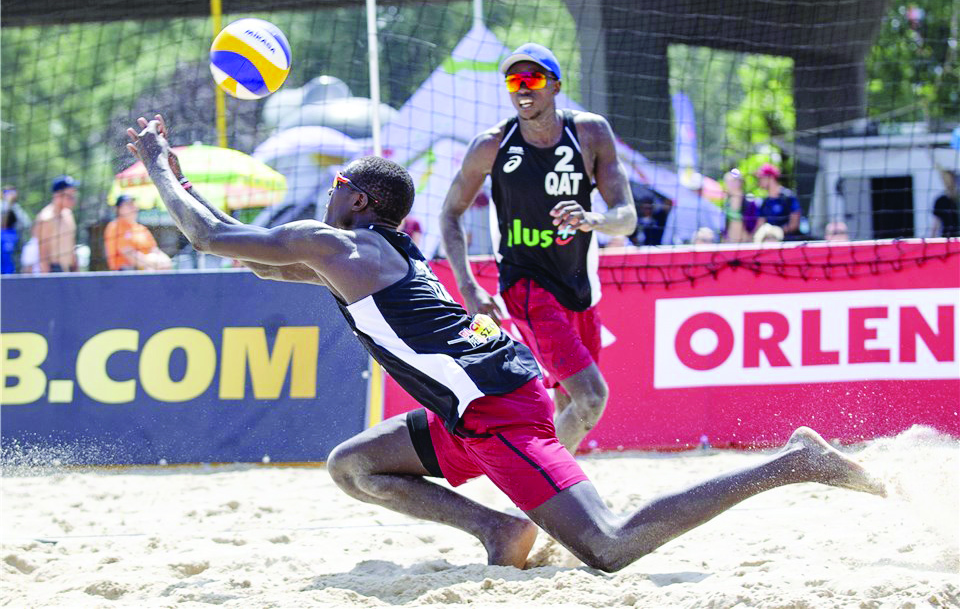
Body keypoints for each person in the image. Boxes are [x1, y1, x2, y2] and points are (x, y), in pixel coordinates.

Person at [129, 114, 886, 573]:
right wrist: (186, 191)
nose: (325, 195)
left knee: (610, 547)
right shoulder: (364, 254)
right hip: (469, 404)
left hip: (496, 406)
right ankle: (500, 528)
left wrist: (160, 166)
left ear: (357, 199)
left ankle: (795, 462)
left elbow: (211, 237)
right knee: (353, 466)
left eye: (334, 187)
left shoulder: (342, 244)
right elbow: (254, 259)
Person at [439, 43, 638, 454]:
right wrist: (468, 286)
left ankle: (553, 481)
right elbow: (449, 213)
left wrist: (592, 219)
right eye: (514, 81)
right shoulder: (492, 145)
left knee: (570, 405)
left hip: (579, 288)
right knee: (592, 398)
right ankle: (541, 481)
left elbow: (627, 217)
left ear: (556, 86)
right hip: (526, 286)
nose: (523, 89)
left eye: (532, 78)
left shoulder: (590, 133)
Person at [103, 194, 172, 271]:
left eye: (133, 203)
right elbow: (129, 254)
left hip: (149, 269)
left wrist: (166, 261)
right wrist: (154, 263)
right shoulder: (115, 227)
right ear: (118, 209)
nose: (132, 207)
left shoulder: (141, 229)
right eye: (128, 204)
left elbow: (155, 250)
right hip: (125, 272)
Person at [34, 175, 78, 272]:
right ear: (58, 195)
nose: (73, 199)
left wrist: (76, 271)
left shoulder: (69, 214)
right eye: (70, 196)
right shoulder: (46, 218)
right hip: (54, 270)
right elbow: (42, 254)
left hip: (69, 270)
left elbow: (72, 246)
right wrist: (47, 278)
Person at [754, 163, 801, 237]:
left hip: (789, 240)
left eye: (761, 178)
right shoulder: (764, 202)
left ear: (771, 177)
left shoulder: (788, 197)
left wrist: (777, 232)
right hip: (770, 241)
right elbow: (760, 225)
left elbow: (794, 224)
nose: (759, 181)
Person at [1, 185, 32, 274]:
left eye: (12, 192)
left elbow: (27, 223)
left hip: (15, 238)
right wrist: (8, 202)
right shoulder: (2, 205)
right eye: (7, 192)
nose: (10, 195)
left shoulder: (16, 207)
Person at [930, 170, 959, 238]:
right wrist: (931, 240)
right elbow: (936, 223)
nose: (946, 181)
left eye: (948, 179)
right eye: (944, 178)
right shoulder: (940, 201)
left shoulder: (957, 199)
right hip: (947, 238)